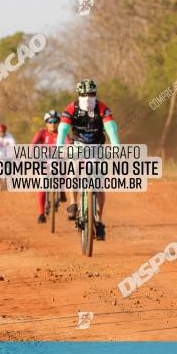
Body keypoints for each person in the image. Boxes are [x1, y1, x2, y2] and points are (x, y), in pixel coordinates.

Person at [58, 79, 119, 240]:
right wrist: (59, 146)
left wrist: (116, 145)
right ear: (78, 95)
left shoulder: (102, 108)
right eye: (84, 95)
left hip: (98, 147)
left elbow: (110, 127)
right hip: (78, 145)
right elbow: (63, 128)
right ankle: (73, 202)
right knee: (73, 170)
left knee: (99, 183)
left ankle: (99, 221)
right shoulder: (72, 108)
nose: (87, 97)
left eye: (91, 94)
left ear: (95, 94)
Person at [32, 110, 67, 223]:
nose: (53, 124)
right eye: (50, 121)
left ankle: (62, 191)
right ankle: (41, 214)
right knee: (42, 186)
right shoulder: (42, 133)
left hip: (58, 161)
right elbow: (33, 144)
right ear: (46, 123)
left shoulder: (62, 133)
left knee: (65, 170)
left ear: (58, 123)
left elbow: (69, 143)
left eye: (55, 121)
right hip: (44, 162)